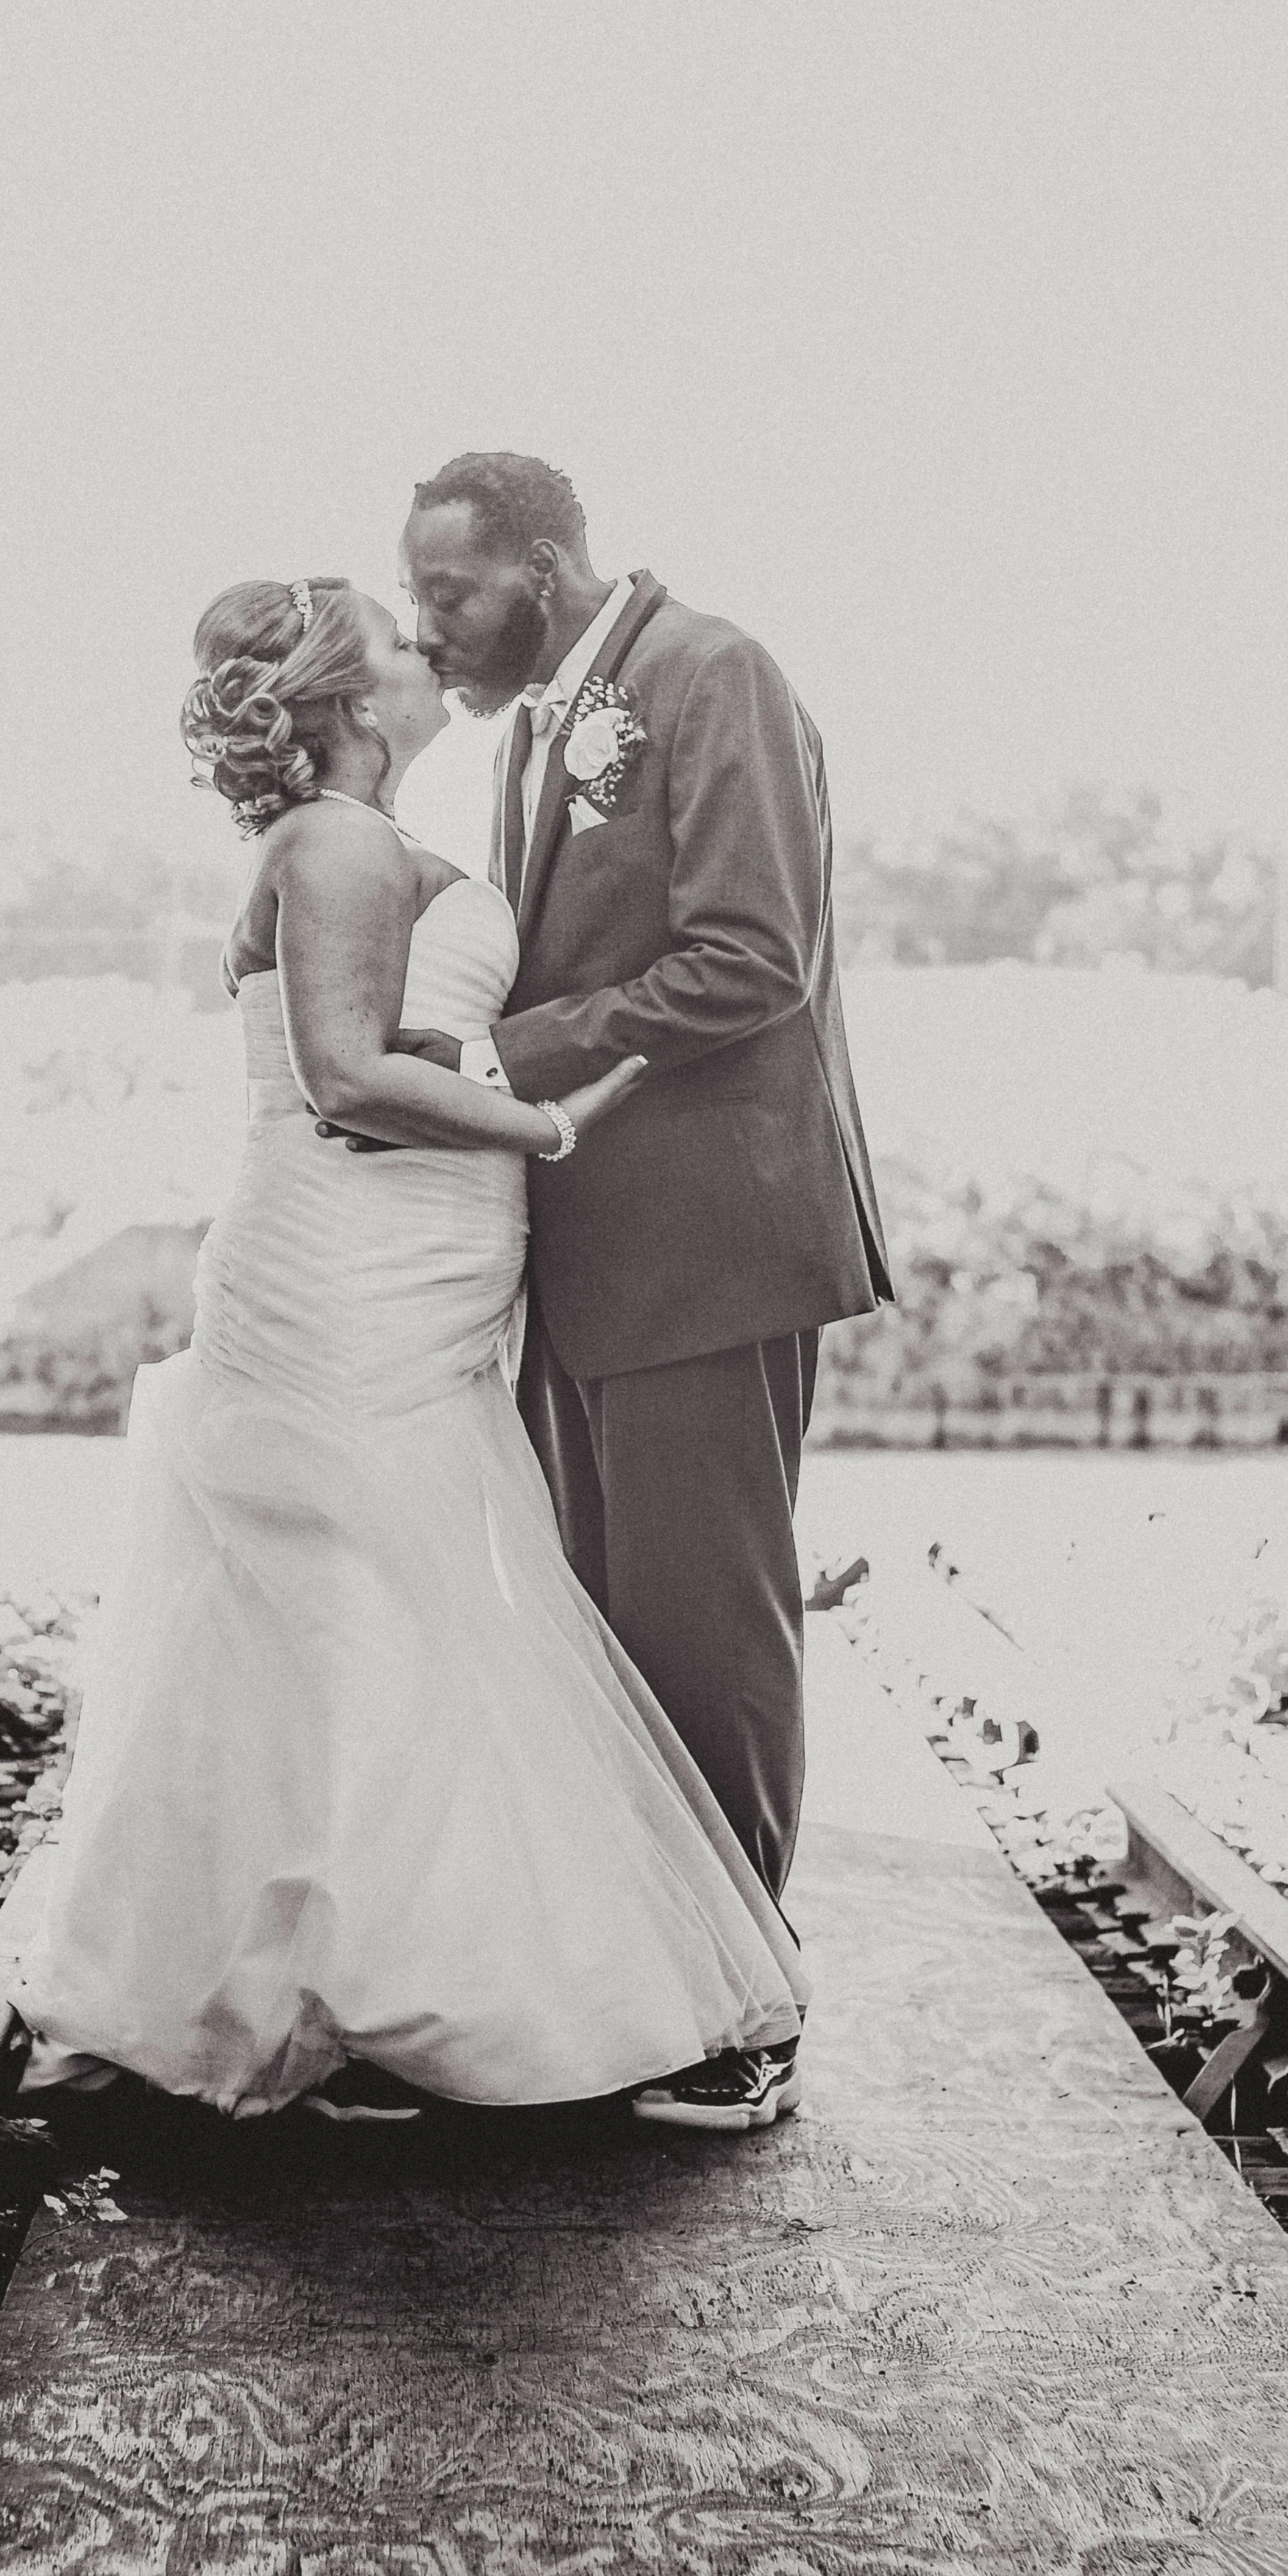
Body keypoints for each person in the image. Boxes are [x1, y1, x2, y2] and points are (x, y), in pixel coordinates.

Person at [12, 572, 810, 2132]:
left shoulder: (373, 835)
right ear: (348, 696)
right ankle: (368, 1992)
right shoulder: (336, 842)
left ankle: (343, 1982)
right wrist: (545, 1120)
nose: (422, 646)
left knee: (368, 1616)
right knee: (371, 1613)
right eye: (394, 635)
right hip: (345, 1269)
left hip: (419, 1268)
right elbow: (340, 1075)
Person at [377, 457, 892, 2112]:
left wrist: (493, 1053)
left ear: (541, 563)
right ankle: (661, 1977)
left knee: (704, 1622)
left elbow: (753, 958)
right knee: (616, 1630)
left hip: (709, 1248)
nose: (423, 626)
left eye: (447, 592)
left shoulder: (707, 673)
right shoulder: (550, 719)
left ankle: (750, 2017)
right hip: (601, 1249)